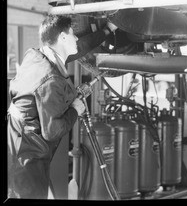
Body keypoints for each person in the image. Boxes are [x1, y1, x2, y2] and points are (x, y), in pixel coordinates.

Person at [7, 14, 118, 199]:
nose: (76, 38)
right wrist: (75, 109)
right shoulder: (50, 78)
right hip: (26, 158)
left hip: (16, 139)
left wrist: (107, 30)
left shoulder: (36, 55)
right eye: (73, 34)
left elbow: (79, 48)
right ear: (62, 38)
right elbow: (52, 131)